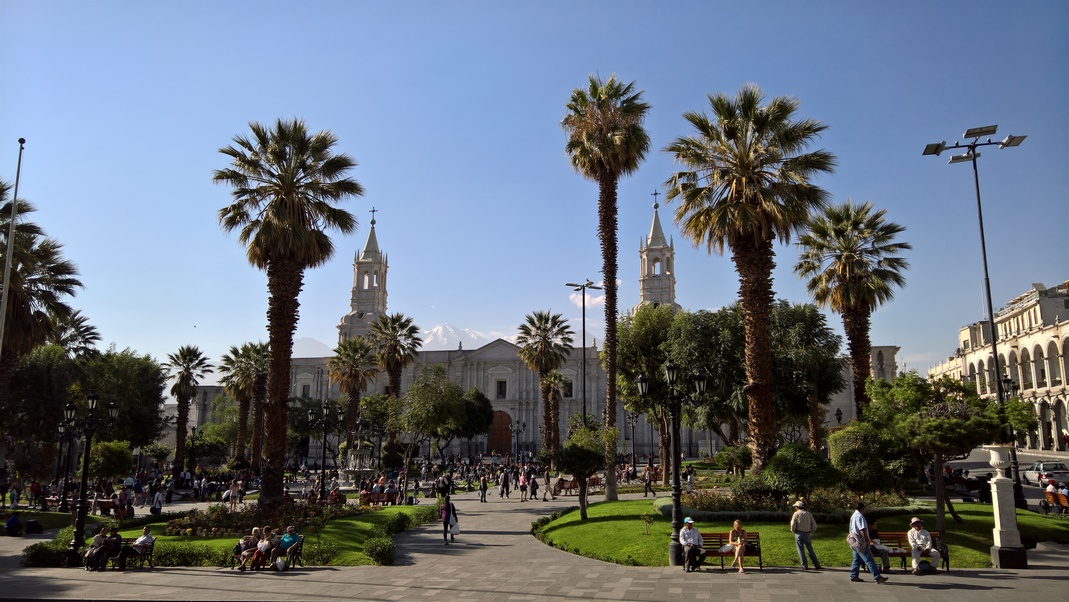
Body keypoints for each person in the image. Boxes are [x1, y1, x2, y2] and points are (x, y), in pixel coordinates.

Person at [848, 502, 887, 584]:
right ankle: (877, 577)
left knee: (856, 559)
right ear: (863, 508)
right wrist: (867, 540)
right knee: (869, 559)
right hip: (860, 542)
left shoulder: (853, 515)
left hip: (854, 541)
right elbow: (862, 529)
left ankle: (854, 575)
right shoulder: (860, 516)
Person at [789, 500, 821, 570]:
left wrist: (793, 531)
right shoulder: (809, 514)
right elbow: (814, 526)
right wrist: (811, 531)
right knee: (810, 549)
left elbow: (793, 524)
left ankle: (804, 565)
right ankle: (816, 564)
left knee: (800, 550)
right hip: (807, 533)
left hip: (799, 533)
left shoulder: (796, 514)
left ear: (797, 507)